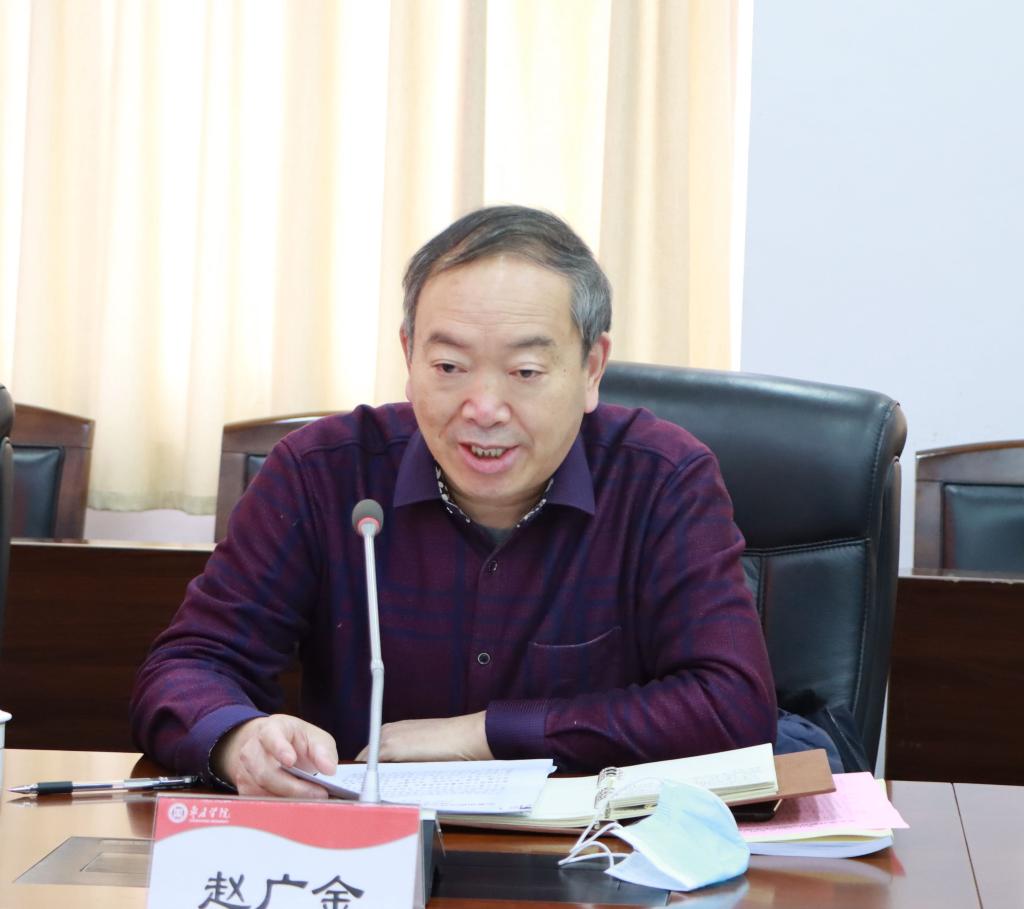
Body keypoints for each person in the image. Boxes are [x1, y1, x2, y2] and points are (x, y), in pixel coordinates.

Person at [130, 205, 777, 797]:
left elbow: (731, 705)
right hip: (362, 854)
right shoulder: (321, 473)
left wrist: (484, 734)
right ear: (409, 355)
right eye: (448, 367)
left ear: (591, 369)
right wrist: (240, 739)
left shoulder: (662, 481)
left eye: (525, 372)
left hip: (591, 858)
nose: (484, 408)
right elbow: (188, 666)